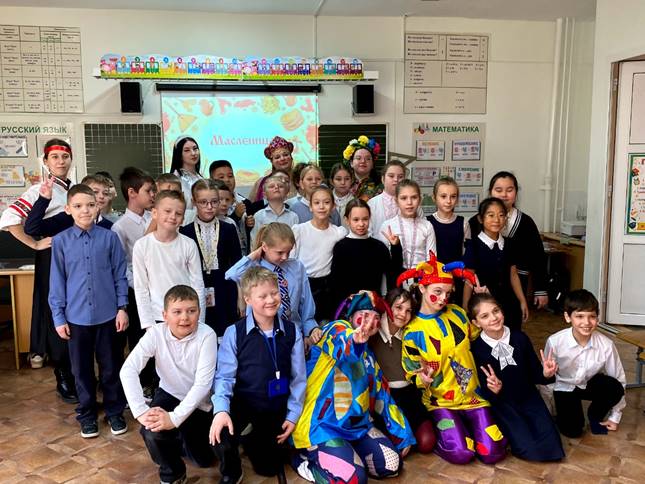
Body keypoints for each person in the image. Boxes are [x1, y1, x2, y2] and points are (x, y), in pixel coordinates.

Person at [292, 290, 415, 484]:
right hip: (322, 426)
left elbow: (383, 397)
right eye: (364, 315)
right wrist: (355, 341)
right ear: (350, 316)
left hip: (356, 427)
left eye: (376, 318)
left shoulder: (369, 358)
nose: (370, 322)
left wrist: (403, 434)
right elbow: (345, 345)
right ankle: (304, 460)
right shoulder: (333, 330)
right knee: (354, 479)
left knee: (391, 465)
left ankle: (346, 454)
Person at [399, 252, 507, 465]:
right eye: (437, 292)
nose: (443, 299)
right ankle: (454, 433)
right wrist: (422, 380)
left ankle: (470, 429)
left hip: (473, 397)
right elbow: (411, 371)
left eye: (447, 293)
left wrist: (484, 304)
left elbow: (481, 336)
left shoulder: (457, 313)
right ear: (422, 288)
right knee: (461, 453)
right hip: (440, 402)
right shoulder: (412, 332)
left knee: (492, 452)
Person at [210, 266, 306, 483]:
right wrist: (221, 410)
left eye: (274, 293)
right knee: (220, 435)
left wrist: (292, 414)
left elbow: (299, 378)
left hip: (275, 405)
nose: (270, 300)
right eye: (262, 296)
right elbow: (224, 377)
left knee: (269, 467)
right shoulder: (234, 332)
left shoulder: (292, 331)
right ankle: (233, 471)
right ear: (248, 299)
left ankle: (251, 438)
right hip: (244, 402)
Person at [48, 184, 129, 438]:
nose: (85, 210)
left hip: (108, 316)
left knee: (111, 367)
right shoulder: (60, 241)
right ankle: (87, 414)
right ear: (68, 209)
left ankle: (114, 411)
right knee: (81, 371)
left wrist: (122, 308)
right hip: (76, 318)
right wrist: (58, 317)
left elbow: (120, 275)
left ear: (98, 207)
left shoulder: (109, 238)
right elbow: (57, 281)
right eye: (78, 206)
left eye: (90, 205)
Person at [0, 138, 76, 399]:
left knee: (76, 313)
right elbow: (9, 219)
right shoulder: (38, 190)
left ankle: (77, 371)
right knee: (56, 313)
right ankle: (62, 374)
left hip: (76, 258)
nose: (60, 161)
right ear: (45, 161)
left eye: (65, 156)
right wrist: (34, 243)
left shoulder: (75, 189)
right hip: (52, 259)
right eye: (54, 157)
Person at [120, 285, 217, 484]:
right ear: (164, 315)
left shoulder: (207, 335)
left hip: (200, 403)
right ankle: (173, 474)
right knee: (151, 430)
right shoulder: (156, 333)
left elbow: (202, 385)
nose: (185, 318)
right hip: (170, 394)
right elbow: (128, 369)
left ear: (199, 312)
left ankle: (178, 438)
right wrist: (140, 411)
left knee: (203, 460)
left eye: (191, 311)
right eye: (177, 312)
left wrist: (174, 418)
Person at [469, 293, 565, 461]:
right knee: (528, 448)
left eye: (496, 311)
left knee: (552, 445)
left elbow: (535, 373)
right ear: (476, 323)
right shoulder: (477, 349)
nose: (493, 318)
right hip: (503, 403)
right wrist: (494, 390)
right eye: (485, 316)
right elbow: (483, 389)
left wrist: (546, 373)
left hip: (528, 397)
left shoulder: (520, 338)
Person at [545, 289, 626, 438]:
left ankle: (594, 414)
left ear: (597, 318)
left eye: (592, 316)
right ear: (568, 317)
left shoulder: (606, 345)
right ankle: (567, 414)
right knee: (573, 431)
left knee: (615, 387)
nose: (587, 322)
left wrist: (615, 416)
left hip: (588, 383)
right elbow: (547, 379)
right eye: (580, 316)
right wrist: (549, 409)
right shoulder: (554, 342)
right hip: (564, 386)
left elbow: (619, 379)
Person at [226, 222, 319, 345]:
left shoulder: (297, 267)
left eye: (288, 251)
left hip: (295, 335)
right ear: (265, 247)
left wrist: (309, 331)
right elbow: (231, 275)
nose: (285, 257)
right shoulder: (253, 268)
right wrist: (253, 255)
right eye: (280, 253)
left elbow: (306, 303)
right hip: (262, 337)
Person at [368, 288, 436, 453]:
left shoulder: (411, 333)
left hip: (409, 393)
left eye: (408, 310)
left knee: (427, 442)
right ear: (388, 306)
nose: (403, 314)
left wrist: (423, 377)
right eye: (398, 307)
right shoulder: (373, 330)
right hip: (384, 397)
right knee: (396, 444)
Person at [468, 171, 549, 310]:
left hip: (516, 284)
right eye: (498, 190)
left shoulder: (526, 222)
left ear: (516, 193)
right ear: (490, 192)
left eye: (509, 190)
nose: (504, 195)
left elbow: (538, 257)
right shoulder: (476, 221)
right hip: (483, 285)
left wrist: (540, 289)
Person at [132, 190, 206, 330]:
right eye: (167, 211)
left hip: (185, 315)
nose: (173, 216)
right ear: (154, 213)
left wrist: (199, 321)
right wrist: (148, 325)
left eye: (178, 213)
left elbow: (198, 284)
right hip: (157, 316)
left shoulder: (189, 244)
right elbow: (141, 288)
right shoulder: (141, 246)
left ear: (183, 219)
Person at [179, 179, 242, 338]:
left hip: (225, 290)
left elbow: (237, 265)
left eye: (214, 202)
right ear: (194, 202)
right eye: (203, 202)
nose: (209, 207)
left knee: (226, 335)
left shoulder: (228, 229)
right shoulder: (185, 232)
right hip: (197, 289)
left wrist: (241, 298)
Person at [462, 197, 529, 329]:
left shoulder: (510, 244)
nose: (497, 220)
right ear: (481, 219)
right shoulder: (473, 245)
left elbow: (513, 275)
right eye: (491, 215)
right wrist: (465, 307)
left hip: (509, 304)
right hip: (485, 305)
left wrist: (522, 300)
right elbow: (469, 279)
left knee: (512, 335)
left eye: (501, 215)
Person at [329, 199, 403, 310]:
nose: (361, 224)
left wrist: (396, 247)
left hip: (374, 307)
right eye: (356, 220)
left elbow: (393, 274)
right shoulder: (341, 247)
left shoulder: (379, 247)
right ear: (347, 220)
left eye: (365, 219)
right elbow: (336, 283)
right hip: (348, 308)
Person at [291, 187, 347, 322]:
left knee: (325, 324)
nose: (321, 207)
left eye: (326, 202)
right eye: (316, 203)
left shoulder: (338, 232)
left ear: (333, 206)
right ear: (310, 207)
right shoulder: (299, 230)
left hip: (327, 287)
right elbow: (291, 260)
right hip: (304, 284)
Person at [24, 175, 114, 236]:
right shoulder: (66, 218)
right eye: (95, 192)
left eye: (106, 193)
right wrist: (44, 199)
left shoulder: (111, 227)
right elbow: (32, 228)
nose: (101, 196)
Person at [378, 179, 436, 269]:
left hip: (422, 275)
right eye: (404, 198)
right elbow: (383, 260)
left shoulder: (427, 226)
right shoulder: (387, 226)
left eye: (414, 197)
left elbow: (432, 259)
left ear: (420, 200)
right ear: (396, 200)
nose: (409, 202)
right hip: (396, 275)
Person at [209, 159, 252, 255]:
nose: (227, 180)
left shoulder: (245, 202)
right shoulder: (209, 206)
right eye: (221, 177)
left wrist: (249, 224)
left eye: (230, 176)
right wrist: (236, 216)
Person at [249, 174, 299, 249]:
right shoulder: (259, 216)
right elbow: (255, 242)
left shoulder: (293, 216)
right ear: (264, 194)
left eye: (280, 186)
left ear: (286, 193)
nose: (276, 187)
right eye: (271, 186)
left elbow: (296, 242)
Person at [249, 136, 298, 202]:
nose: (282, 159)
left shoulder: (301, 180)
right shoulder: (261, 183)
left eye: (286, 155)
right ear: (272, 162)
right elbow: (250, 206)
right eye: (277, 157)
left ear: (291, 157)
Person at [368, 161, 410, 236]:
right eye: (391, 176)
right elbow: (367, 232)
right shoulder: (371, 204)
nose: (396, 179)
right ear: (383, 179)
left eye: (400, 177)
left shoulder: (412, 203)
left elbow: (422, 230)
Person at [343, 135, 382, 201]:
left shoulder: (380, 185)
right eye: (358, 158)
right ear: (351, 163)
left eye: (368, 159)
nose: (363, 161)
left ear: (372, 164)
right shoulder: (343, 183)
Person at [169, 136, 203, 212]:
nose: (193, 153)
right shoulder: (175, 179)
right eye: (187, 150)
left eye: (195, 148)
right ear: (179, 155)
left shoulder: (201, 179)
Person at [329, 162, 355, 229]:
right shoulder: (325, 200)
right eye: (338, 179)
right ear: (331, 181)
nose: (343, 182)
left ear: (352, 180)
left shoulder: (355, 203)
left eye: (347, 179)